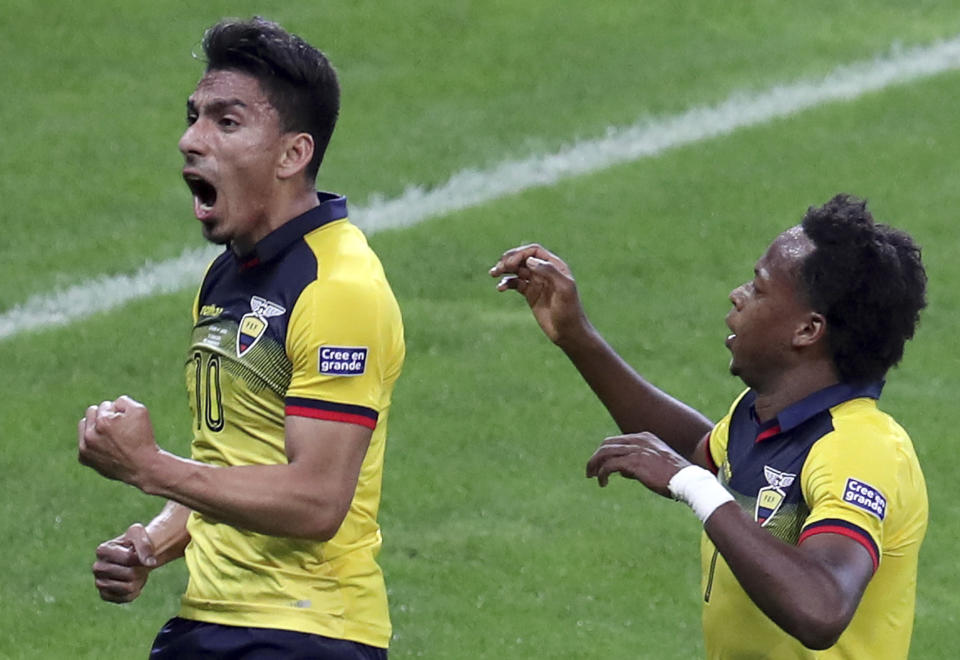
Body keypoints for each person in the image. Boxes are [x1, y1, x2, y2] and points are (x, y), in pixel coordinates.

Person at [78, 17, 404, 659]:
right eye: (195, 116)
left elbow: (315, 501)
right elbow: (232, 470)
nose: (191, 140)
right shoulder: (225, 275)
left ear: (292, 154)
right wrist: (154, 542)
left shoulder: (337, 287)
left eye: (227, 123)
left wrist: (151, 468)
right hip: (213, 624)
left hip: (309, 632)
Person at [490, 194, 927, 659]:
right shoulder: (762, 415)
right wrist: (577, 335)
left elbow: (822, 608)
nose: (738, 294)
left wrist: (693, 483)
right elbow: (697, 457)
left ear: (807, 330)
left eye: (759, 288)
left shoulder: (861, 449)